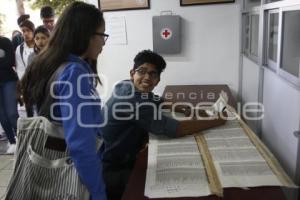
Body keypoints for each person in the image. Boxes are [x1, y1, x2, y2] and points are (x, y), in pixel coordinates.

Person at [100, 50, 226, 199]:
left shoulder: (126, 85)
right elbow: (178, 129)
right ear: (132, 73)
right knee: (180, 182)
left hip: (110, 152)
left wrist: (183, 107)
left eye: (153, 74)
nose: (147, 77)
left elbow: (156, 100)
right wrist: (217, 120)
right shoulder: (133, 101)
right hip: (114, 169)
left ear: (158, 80)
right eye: (142, 71)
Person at [21, 2, 108, 199]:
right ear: (86, 34)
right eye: (102, 35)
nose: (103, 42)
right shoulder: (74, 73)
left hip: (49, 166)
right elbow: (81, 145)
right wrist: (98, 193)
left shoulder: (49, 63)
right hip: (73, 175)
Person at [25, 25, 50, 117]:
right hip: (39, 93)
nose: (40, 41)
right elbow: (29, 76)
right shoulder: (32, 57)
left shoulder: (55, 54)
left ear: (49, 38)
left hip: (53, 91)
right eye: (37, 38)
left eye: (43, 38)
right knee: (41, 117)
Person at [0, 36, 19, 154]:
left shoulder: (5, 41)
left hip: (9, 81)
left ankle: (22, 138)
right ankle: (12, 141)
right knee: (2, 116)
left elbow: (10, 61)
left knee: (12, 113)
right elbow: (5, 61)